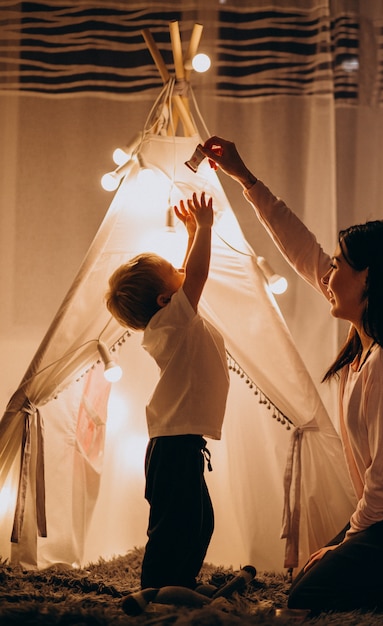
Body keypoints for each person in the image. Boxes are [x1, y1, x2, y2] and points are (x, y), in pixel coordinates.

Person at [200, 137, 383, 613]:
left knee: (307, 593)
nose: (328, 274)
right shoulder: (365, 343)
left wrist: (344, 543)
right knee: (307, 575)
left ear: (368, 279)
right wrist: (244, 178)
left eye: (339, 265)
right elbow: (303, 251)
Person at [106, 191, 230, 590]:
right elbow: (196, 275)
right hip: (173, 445)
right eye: (173, 272)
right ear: (166, 299)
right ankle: (155, 588)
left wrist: (191, 233)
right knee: (174, 523)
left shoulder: (176, 319)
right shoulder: (171, 324)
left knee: (199, 521)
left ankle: (181, 582)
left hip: (181, 442)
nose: (182, 267)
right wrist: (205, 228)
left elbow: (186, 278)